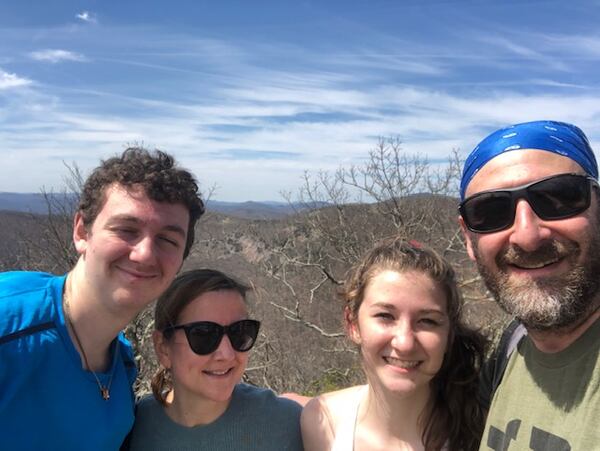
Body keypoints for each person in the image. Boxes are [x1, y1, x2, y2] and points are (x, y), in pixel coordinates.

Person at [0, 148, 204, 450]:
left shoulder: (120, 364)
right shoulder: (10, 329)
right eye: (126, 229)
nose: (145, 253)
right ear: (82, 232)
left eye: (168, 240)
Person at [458, 120, 600, 450]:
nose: (528, 235)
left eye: (559, 197)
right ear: (468, 238)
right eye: (490, 211)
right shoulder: (511, 349)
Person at [301, 238, 486, 451]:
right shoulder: (323, 423)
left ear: (449, 334)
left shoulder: (484, 433)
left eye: (427, 321)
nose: (405, 343)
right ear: (353, 324)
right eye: (385, 316)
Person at [126, 268, 303, 450]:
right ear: (163, 348)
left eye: (240, 331)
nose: (227, 354)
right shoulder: (130, 428)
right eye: (203, 334)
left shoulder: (284, 424)